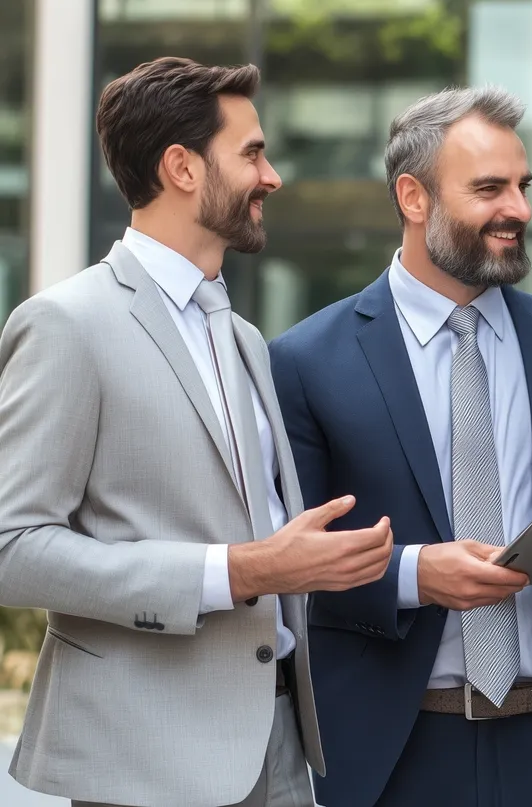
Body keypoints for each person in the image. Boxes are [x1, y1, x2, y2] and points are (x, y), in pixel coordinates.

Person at [0, 57, 394, 807]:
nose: (272, 176)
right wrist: (238, 570)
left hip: (277, 746)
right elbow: (11, 547)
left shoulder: (241, 334)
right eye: (251, 153)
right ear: (181, 167)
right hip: (144, 757)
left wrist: (303, 558)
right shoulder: (66, 325)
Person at [268, 86, 532, 807]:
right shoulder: (304, 360)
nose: (519, 209)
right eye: (490, 188)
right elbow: (287, 561)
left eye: (523, 185)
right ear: (413, 197)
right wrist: (415, 575)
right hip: (394, 752)